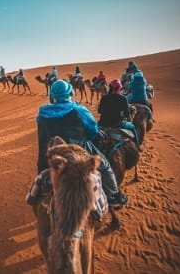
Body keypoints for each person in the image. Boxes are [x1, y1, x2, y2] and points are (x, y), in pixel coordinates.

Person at [29, 79, 127, 207]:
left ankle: (33, 196)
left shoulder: (41, 114)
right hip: (78, 155)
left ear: (52, 96)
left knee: (43, 173)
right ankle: (114, 196)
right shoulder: (79, 110)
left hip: (49, 156)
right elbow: (93, 132)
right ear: (70, 93)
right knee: (104, 165)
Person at [98, 79, 140, 146]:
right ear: (120, 88)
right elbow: (127, 114)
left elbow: (99, 111)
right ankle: (137, 146)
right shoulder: (123, 98)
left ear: (110, 88)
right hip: (117, 123)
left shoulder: (104, 97)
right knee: (133, 127)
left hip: (103, 123)